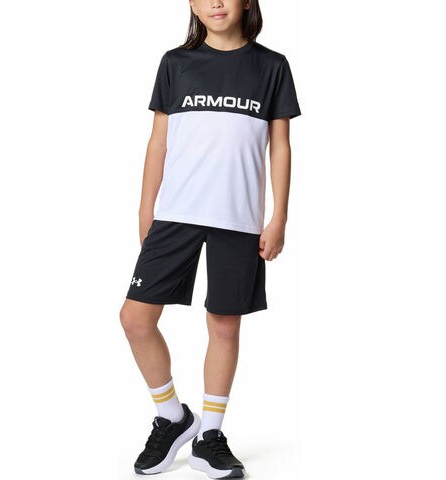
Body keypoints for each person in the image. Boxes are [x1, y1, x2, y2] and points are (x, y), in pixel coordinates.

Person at [119, 0, 301, 477]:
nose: (216, 2)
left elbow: (280, 145)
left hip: (237, 218)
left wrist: (279, 216)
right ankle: (172, 417)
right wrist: (145, 209)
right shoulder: (175, 63)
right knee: (135, 318)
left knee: (224, 325)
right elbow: (158, 141)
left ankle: (210, 436)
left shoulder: (272, 66)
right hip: (176, 214)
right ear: (193, 5)